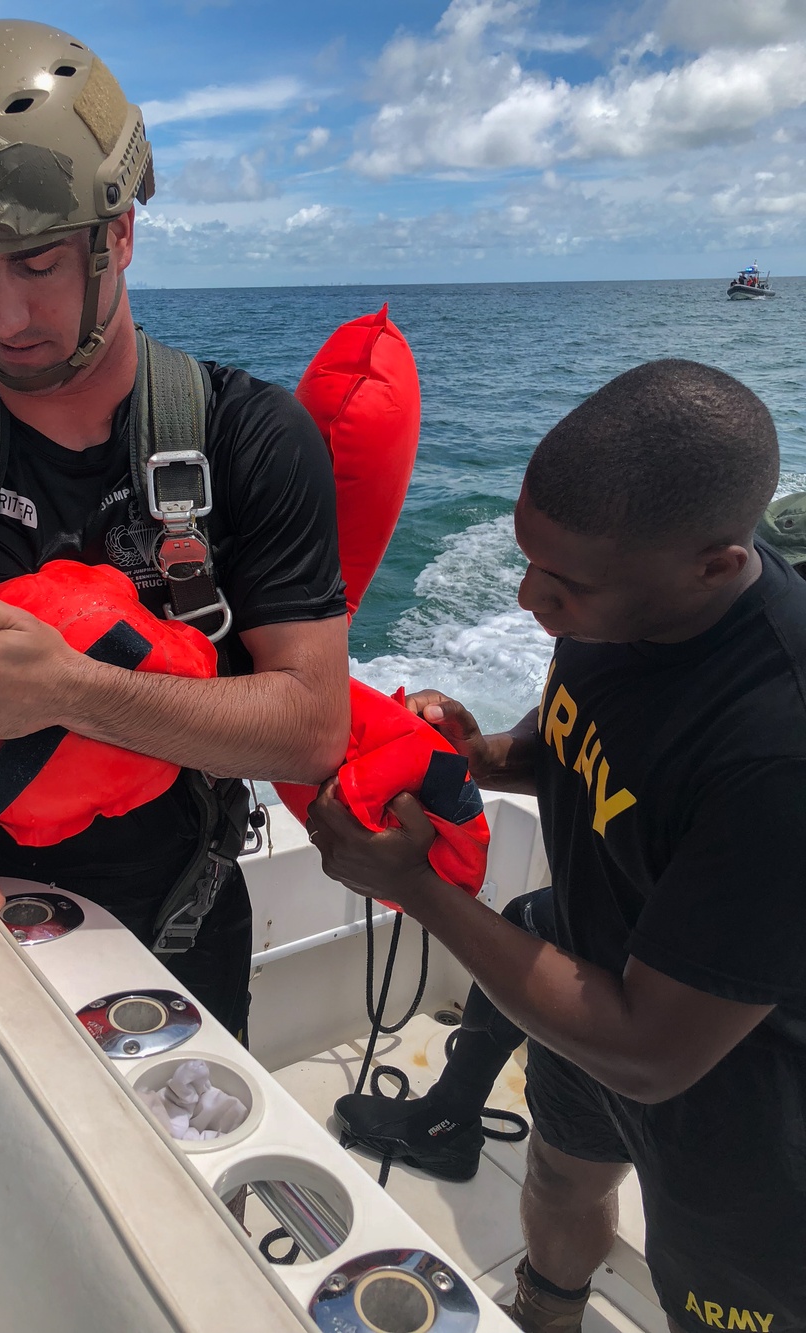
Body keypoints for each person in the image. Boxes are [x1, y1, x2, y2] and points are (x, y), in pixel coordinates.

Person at [0, 19, 349, 1332]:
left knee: (163, 1234)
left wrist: (79, 693)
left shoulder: (247, 439)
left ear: (121, 229)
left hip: (180, 913)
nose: (2, 313)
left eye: (37, 264)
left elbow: (309, 727)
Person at [310, 359, 806, 1333]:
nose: (535, 598)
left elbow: (652, 1055)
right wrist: (483, 753)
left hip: (736, 1102)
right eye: (527, 560)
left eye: (565, 585)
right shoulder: (625, 595)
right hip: (589, 980)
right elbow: (585, 734)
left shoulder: (775, 751)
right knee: (558, 1174)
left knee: (715, 1305)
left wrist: (418, 889)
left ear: (714, 563)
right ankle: (547, 1311)